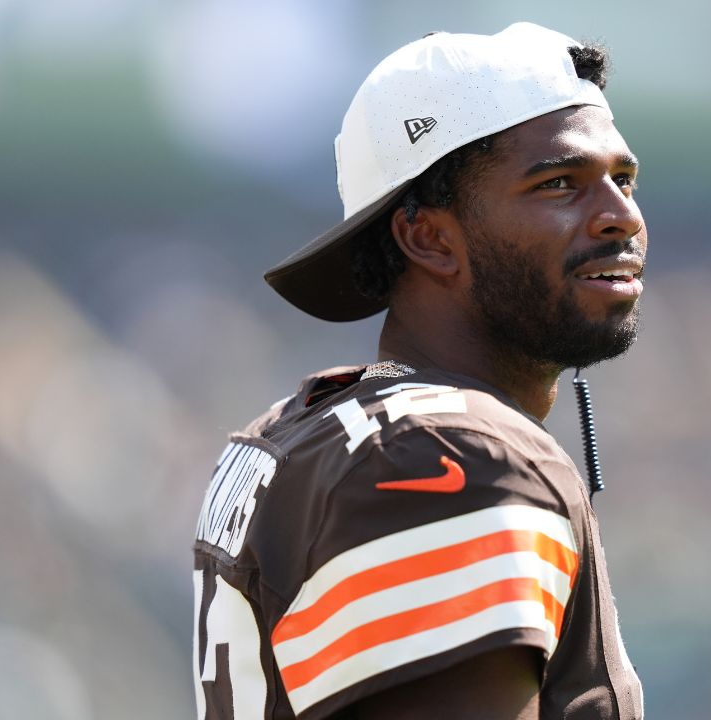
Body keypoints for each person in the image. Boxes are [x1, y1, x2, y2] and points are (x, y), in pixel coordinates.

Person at [192, 22, 646, 719]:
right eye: (560, 184)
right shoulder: (453, 457)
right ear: (429, 237)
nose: (621, 217)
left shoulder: (296, 433)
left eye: (622, 179)